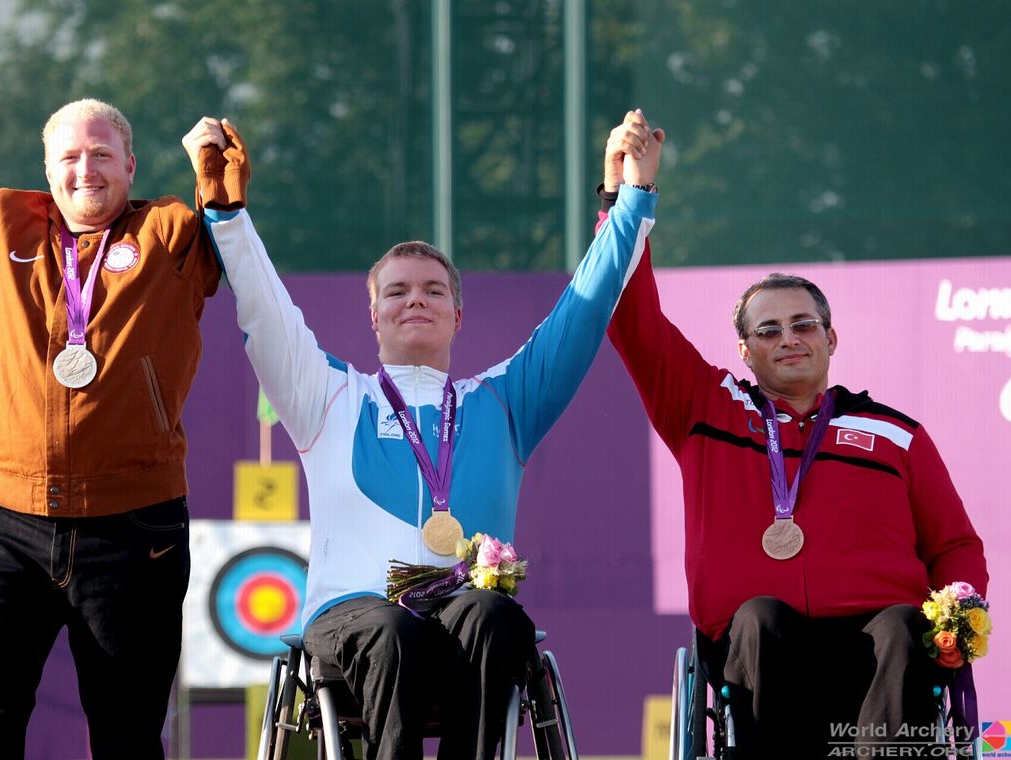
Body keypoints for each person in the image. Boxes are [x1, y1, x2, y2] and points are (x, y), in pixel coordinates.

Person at [181, 111, 659, 760]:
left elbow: (584, 308)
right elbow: (268, 314)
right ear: (372, 315)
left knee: (496, 616)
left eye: (435, 291)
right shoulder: (327, 396)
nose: (416, 300)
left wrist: (627, 201)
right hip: (356, 622)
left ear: (458, 316)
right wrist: (228, 216)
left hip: (464, 619)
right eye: (398, 291)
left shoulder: (504, 401)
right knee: (390, 629)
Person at [600, 120, 988, 758]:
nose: (788, 338)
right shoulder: (706, 408)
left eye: (803, 324)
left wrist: (958, 611)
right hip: (758, 652)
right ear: (745, 350)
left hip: (875, 644)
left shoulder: (894, 434)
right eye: (769, 329)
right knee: (761, 615)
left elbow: (955, 545)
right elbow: (630, 315)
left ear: (830, 339)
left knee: (902, 626)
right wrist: (625, 196)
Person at [0, 98, 249, 759]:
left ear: (130, 165)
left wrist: (213, 169)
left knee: (127, 737)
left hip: (136, 533)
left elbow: (230, 247)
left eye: (102, 155)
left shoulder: (166, 232)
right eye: (69, 157)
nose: (86, 170)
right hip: (5, 526)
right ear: (46, 170)